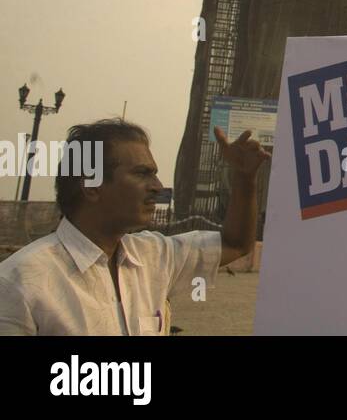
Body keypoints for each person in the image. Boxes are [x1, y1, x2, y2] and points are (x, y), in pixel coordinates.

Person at [0, 118, 269, 335]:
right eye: (142, 173)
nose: (157, 187)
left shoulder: (154, 256)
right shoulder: (20, 282)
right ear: (92, 186)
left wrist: (244, 179)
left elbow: (236, 244)